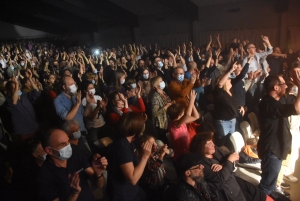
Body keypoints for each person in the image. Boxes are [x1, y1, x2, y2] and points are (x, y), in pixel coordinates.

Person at [189, 132, 272, 201]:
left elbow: (235, 157)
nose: (212, 144)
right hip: (228, 191)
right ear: (200, 148)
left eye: (212, 141)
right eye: (208, 143)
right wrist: (229, 161)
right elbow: (221, 178)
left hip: (236, 181)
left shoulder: (216, 150)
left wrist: (224, 165)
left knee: (262, 195)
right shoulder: (201, 165)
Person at [257, 72, 300, 195]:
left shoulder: (277, 100)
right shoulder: (268, 104)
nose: (286, 86)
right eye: (283, 84)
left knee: (270, 182)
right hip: (272, 150)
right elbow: (297, 109)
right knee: (265, 186)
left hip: (276, 149)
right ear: (276, 88)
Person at [38, 128, 107, 201]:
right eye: (63, 144)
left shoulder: (75, 153)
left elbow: (99, 185)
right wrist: (74, 193)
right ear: (49, 150)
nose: (68, 146)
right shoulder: (44, 176)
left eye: (68, 141)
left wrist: (98, 174)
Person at [107, 112, 153, 201]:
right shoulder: (122, 147)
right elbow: (133, 179)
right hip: (123, 195)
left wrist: (148, 153)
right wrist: (145, 156)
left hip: (131, 191)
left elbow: (135, 162)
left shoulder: (128, 141)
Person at [212, 63, 245, 146]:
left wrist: (240, 107)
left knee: (231, 142)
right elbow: (219, 85)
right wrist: (230, 71)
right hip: (223, 122)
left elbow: (234, 102)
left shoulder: (231, 92)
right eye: (229, 80)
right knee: (223, 143)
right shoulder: (219, 93)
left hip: (232, 120)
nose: (231, 81)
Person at [135, 135, 173, 201]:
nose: (155, 145)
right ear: (144, 146)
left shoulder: (155, 153)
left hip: (161, 181)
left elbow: (172, 153)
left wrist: (167, 151)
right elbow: (153, 169)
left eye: (154, 142)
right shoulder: (142, 157)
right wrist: (161, 156)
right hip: (151, 188)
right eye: (151, 143)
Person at [5, 72, 41, 140]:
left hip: (34, 127)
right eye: (14, 88)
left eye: (18, 87)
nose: (18, 89)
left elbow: (36, 93)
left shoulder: (25, 95)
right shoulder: (8, 101)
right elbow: (14, 102)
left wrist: (30, 79)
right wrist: (16, 83)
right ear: (9, 91)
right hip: (24, 132)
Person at [242, 35, 273, 112]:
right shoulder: (245, 60)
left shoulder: (257, 56)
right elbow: (243, 74)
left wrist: (267, 42)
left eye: (255, 47)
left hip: (260, 83)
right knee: (251, 101)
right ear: (248, 50)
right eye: (253, 47)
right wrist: (252, 76)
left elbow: (270, 51)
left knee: (258, 101)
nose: (255, 48)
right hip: (252, 84)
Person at [167, 90, 200, 161]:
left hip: (187, 151)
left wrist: (192, 104)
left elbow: (196, 116)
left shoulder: (181, 122)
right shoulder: (175, 125)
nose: (184, 113)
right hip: (181, 156)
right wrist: (191, 101)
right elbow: (187, 115)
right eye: (183, 113)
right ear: (179, 115)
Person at [148, 76, 172, 143]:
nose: (163, 82)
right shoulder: (155, 97)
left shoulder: (163, 92)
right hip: (160, 124)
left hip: (167, 121)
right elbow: (154, 113)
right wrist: (166, 107)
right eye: (160, 81)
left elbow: (167, 101)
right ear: (156, 85)